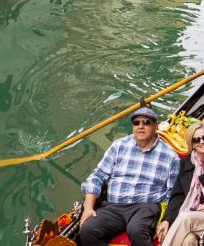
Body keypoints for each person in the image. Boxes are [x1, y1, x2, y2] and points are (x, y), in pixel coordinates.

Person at [77, 105, 180, 246]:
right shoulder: (119, 146)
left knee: (136, 230)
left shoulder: (170, 156)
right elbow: (97, 176)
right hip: (114, 207)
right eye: (136, 123)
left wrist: (165, 221)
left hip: (145, 207)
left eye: (146, 122)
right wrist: (88, 208)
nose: (141, 126)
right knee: (87, 231)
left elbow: (172, 194)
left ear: (155, 126)